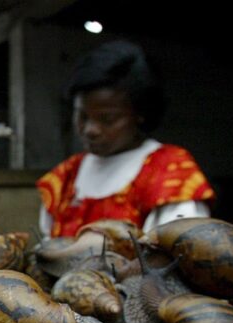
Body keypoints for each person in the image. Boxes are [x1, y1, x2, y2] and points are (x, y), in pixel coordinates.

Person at [37, 40, 215, 238]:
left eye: (108, 119)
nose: (90, 130)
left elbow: (184, 251)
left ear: (140, 113)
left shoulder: (170, 173)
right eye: (82, 116)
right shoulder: (65, 177)